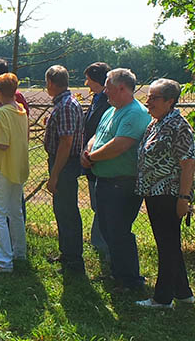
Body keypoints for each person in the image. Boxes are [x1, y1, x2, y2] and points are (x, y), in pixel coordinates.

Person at [81, 68, 151, 291]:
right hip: (106, 181)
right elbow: (98, 135)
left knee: (119, 230)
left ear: (121, 88)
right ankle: (118, 273)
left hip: (123, 183)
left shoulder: (135, 113)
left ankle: (130, 280)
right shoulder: (112, 110)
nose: (106, 91)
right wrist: (88, 150)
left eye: (109, 87)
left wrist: (91, 157)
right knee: (108, 228)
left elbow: (121, 144)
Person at [135, 79, 195, 308]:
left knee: (167, 245)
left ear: (170, 101)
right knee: (169, 243)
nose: (148, 102)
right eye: (148, 97)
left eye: (154, 98)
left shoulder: (178, 126)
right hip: (154, 193)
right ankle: (183, 292)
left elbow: (188, 164)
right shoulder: (157, 123)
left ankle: (162, 299)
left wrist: (183, 198)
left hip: (169, 194)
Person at [0, 73, 29, 273]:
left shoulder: (2, 112)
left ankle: (4, 261)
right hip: (18, 166)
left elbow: (2, 143)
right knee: (15, 211)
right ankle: (20, 252)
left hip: (3, 167)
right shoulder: (20, 110)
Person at [44, 65, 85, 274]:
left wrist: (55, 175)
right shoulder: (64, 103)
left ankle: (74, 261)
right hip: (63, 164)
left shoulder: (66, 105)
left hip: (65, 165)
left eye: (46, 82)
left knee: (67, 211)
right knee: (61, 210)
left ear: (51, 82)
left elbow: (66, 142)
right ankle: (67, 253)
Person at [82, 62, 111, 259]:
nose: (86, 83)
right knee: (97, 204)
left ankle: (103, 246)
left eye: (89, 80)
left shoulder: (108, 102)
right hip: (91, 160)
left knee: (101, 205)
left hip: (100, 160)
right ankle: (99, 244)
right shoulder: (97, 99)